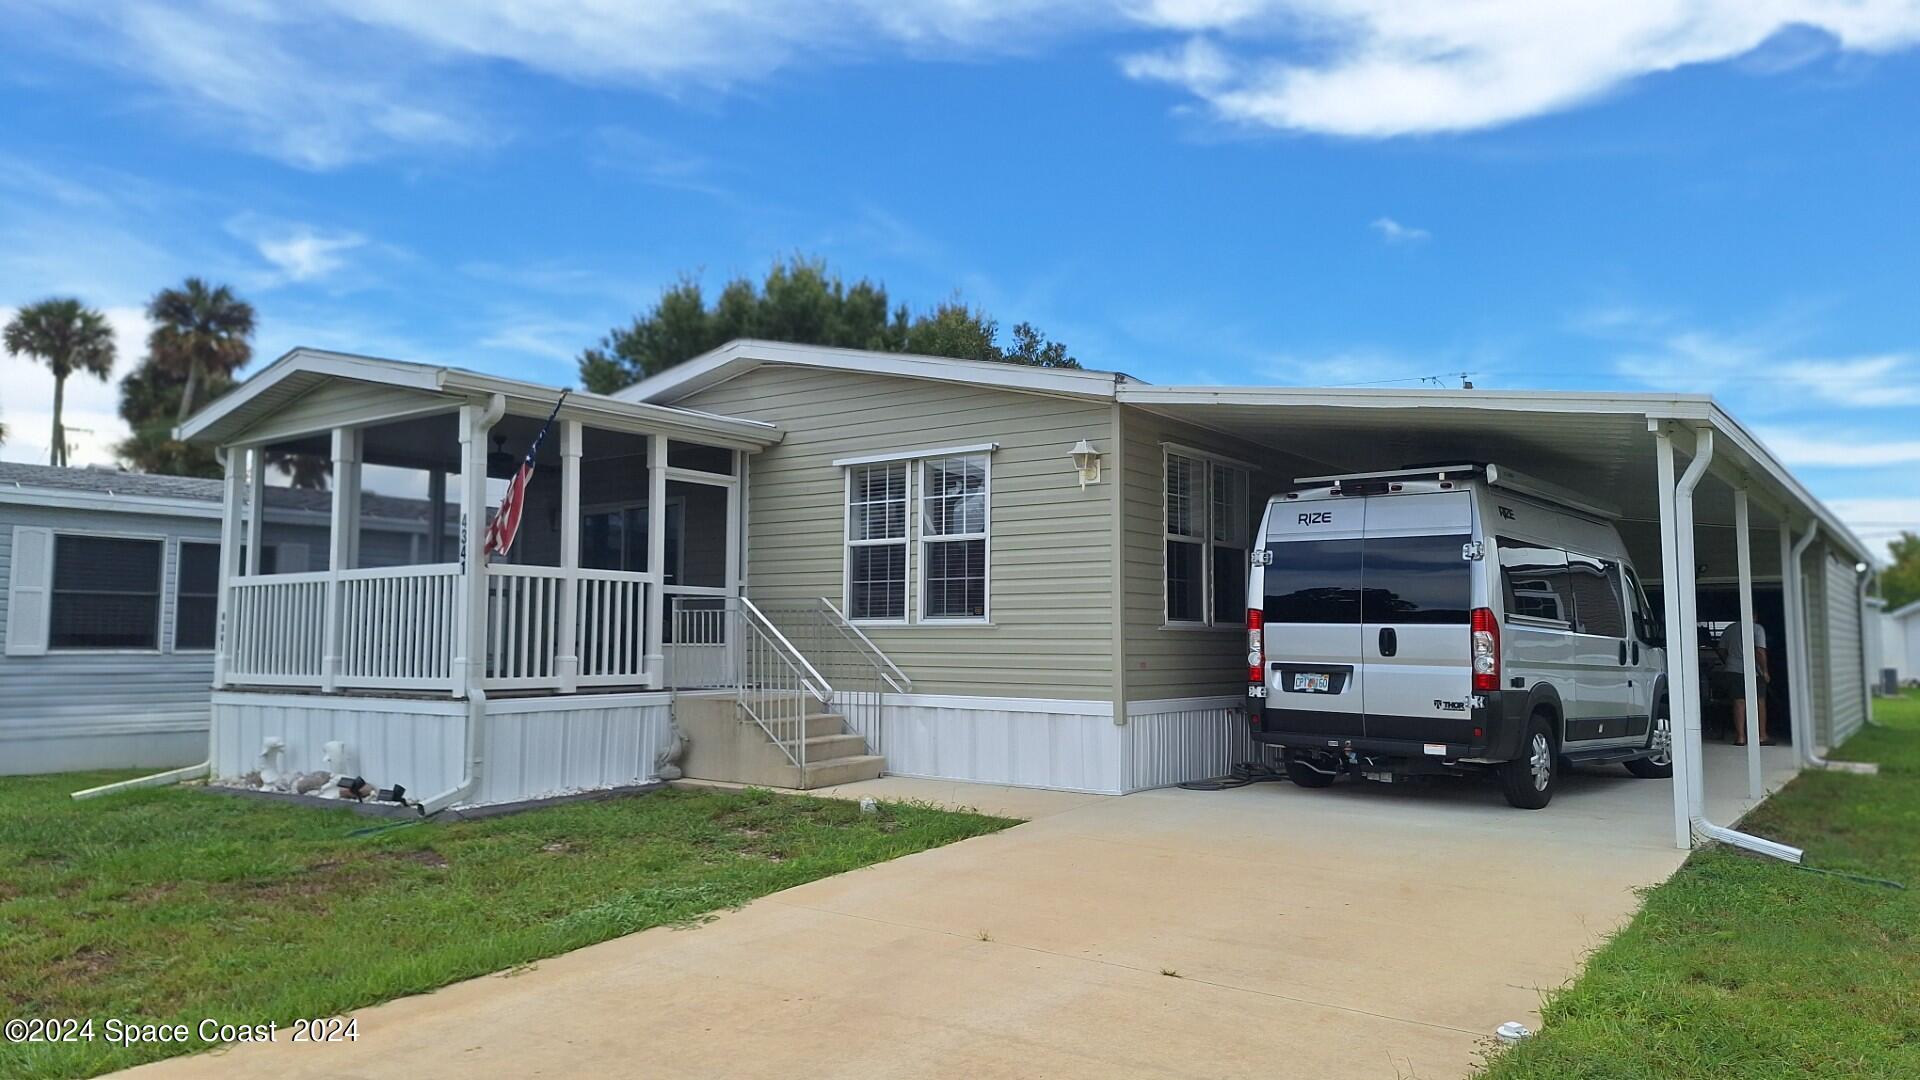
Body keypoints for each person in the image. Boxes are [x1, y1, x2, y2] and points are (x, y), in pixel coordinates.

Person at [1717, 620, 1772, 746]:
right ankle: (1761, 735)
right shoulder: (1757, 629)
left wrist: (1730, 661)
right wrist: (1765, 671)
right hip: (1754, 671)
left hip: (1733, 670)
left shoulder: (1730, 629)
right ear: (1755, 614)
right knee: (1759, 701)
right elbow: (1760, 652)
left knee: (1739, 701)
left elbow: (1721, 649)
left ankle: (1740, 737)